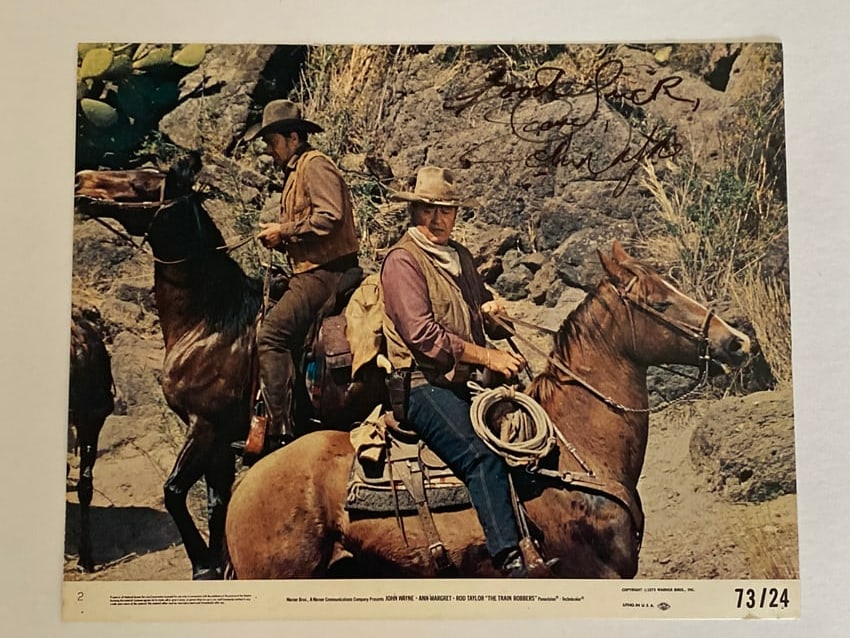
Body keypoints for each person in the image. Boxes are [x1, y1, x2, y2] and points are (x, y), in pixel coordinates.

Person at [380, 165, 534, 577]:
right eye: (428, 209)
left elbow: (478, 307)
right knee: (481, 455)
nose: (437, 219)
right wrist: (489, 358)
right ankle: (509, 558)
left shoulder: (460, 257)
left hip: (462, 379)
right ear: (414, 212)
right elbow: (424, 335)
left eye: (446, 210)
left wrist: (493, 313)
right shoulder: (403, 262)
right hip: (420, 385)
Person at [245, 99, 359, 449]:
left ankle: (280, 433)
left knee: (271, 336)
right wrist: (282, 240)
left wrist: (285, 231)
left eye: (272, 141)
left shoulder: (315, 166)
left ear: (293, 137)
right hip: (312, 268)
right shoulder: (295, 172)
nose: (269, 149)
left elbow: (330, 217)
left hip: (326, 273)